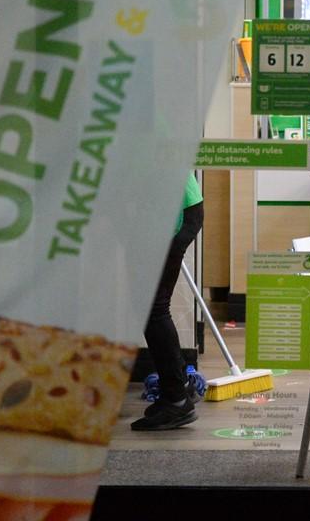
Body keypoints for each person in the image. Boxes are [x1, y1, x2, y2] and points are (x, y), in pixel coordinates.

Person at [133, 175, 205, 431]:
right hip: (173, 218)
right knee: (152, 308)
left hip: (174, 223)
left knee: (153, 309)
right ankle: (178, 389)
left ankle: (176, 400)